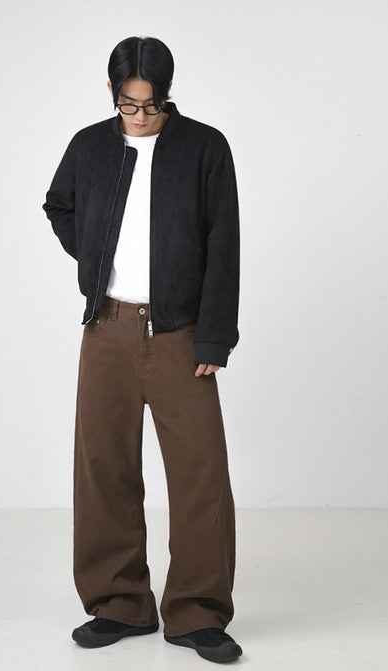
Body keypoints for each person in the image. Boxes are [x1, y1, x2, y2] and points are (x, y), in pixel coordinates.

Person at [42, 36, 241, 664]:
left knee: (200, 473)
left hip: (181, 333)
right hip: (107, 329)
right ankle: (119, 603)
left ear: (168, 94)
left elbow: (224, 243)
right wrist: (94, 255)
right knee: (104, 468)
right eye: (128, 104)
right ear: (112, 93)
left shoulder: (205, 147)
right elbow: (58, 205)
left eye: (151, 104)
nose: (139, 115)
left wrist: (215, 335)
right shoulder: (88, 145)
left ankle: (197, 612)